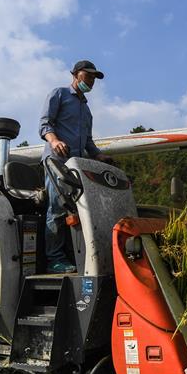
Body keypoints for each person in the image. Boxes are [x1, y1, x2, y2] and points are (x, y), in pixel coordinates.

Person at [39, 60, 114, 273]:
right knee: (57, 208)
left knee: (79, 210)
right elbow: (45, 124)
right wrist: (54, 141)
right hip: (57, 162)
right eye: (87, 75)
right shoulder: (59, 94)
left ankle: (76, 255)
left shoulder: (86, 111)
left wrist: (100, 156)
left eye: (94, 78)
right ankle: (54, 260)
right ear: (75, 74)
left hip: (76, 167)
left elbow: (88, 141)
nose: (91, 80)